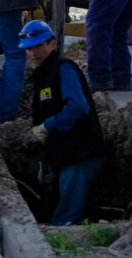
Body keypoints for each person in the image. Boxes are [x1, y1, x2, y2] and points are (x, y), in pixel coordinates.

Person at [19, 19, 106, 226]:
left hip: (80, 156)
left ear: (52, 44)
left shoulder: (63, 69)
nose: (32, 53)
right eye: (28, 49)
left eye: (38, 46)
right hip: (65, 156)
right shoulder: (42, 76)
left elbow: (78, 107)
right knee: (60, 210)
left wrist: (48, 126)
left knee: (65, 220)